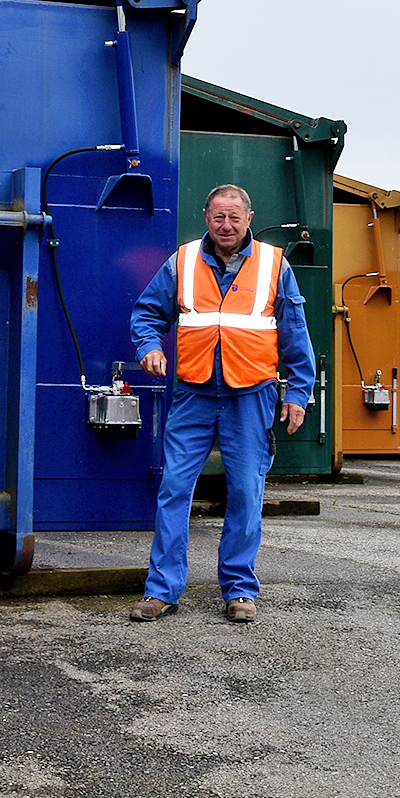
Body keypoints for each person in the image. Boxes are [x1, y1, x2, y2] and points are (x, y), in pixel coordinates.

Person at [127, 184, 315, 623]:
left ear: (249, 217)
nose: (226, 226)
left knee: (247, 494)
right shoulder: (184, 261)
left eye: (234, 217)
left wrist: (299, 393)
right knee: (174, 489)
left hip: (251, 395)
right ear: (206, 217)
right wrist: (149, 346)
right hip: (193, 394)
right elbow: (147, 312)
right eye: (218, 217)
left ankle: (239, 591)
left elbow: (295, 334)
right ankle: (161, 590)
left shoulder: (274, 264)